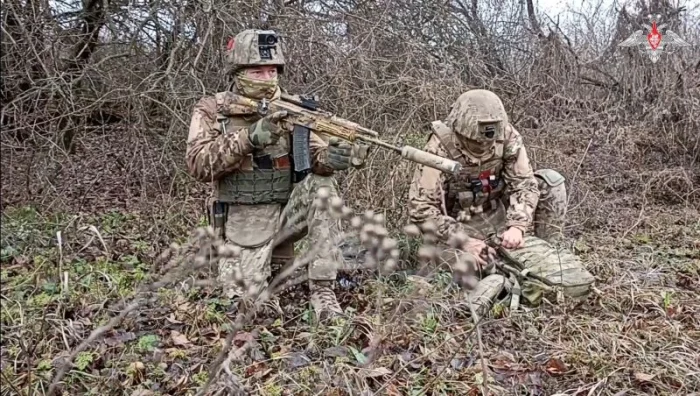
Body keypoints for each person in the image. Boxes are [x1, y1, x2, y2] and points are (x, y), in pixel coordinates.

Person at [186, 29, 366, 320]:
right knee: (250, 310)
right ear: (238, 72)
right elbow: (197, 164)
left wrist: (331, 158)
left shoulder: (293, 108)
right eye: (258, 72)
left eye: (272, 71)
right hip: (243, 224)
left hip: (287, 216)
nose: (267, 79)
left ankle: (322, 288)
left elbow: (317, 160)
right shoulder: (213, 110)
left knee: (323, 186)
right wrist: (250, 138)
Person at [408, 89, 595, 313]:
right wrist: (463, 241)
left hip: (498, 218)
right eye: (475, 143)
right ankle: (493, 286)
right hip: (455, 227)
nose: (482, 148)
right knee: (464, 268)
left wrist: (517, 226)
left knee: (551, 182)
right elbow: (421, 208)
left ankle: (545, 253)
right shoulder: (439, 146)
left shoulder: (506, 136)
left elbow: (524, 183)